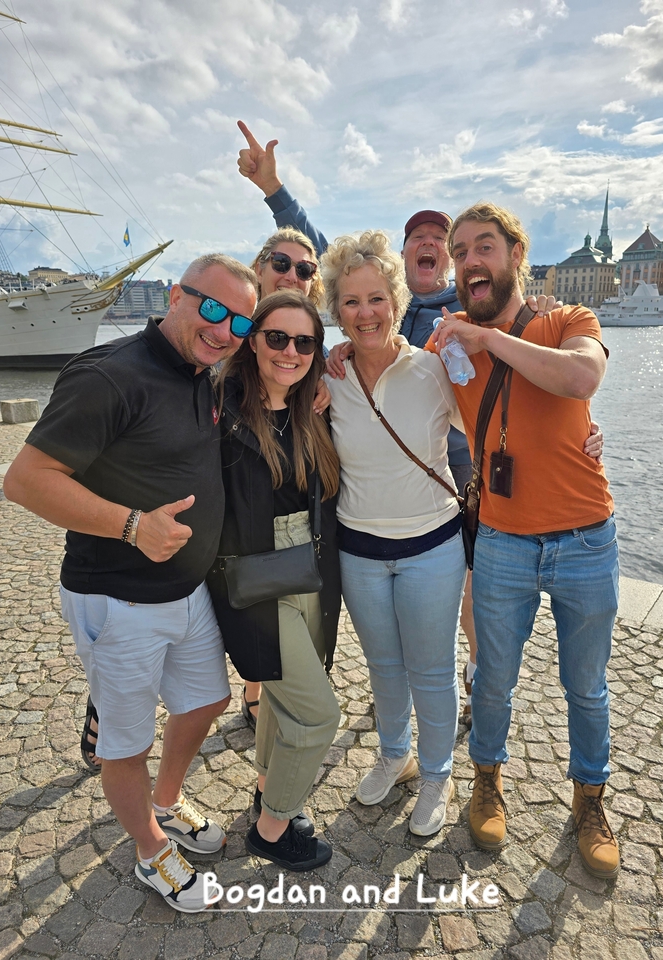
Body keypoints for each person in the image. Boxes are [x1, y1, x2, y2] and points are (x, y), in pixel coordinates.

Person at [235, 121, 603, 726]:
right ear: (403, 261)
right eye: (423, 240)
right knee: (413, 627)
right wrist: (275, 191)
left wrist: (583, 427)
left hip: (465, 481)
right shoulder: (365, 308)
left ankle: (474, 690)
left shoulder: (470, 311)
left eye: (446, 242)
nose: (434, 247)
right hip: (386, 493)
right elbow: (332, 258)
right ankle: (393, 712)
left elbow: (531, 375)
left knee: (470, 603)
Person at [3, 254, 259, 912]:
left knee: (206, 702)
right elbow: (26, 481)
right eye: (210, 307)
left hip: (186, 592)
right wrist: (131, 525)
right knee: (124, 742)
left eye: (239, 319)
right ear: (176, 295)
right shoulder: (110, 375)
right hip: (115, 597)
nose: (224, 328)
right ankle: (150, 852)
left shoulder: (204, 370)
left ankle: (166, 802)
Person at [432, 202, 620, 879]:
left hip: (586, 537)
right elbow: (402, 386)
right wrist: (337, 365)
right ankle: (487, 781)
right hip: (504, 539)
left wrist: (494, 342)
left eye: (484, 246)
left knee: (587, 686)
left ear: (516, 253)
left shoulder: (568, 320)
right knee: (492, 681)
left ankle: (590, 800)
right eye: (460, 252)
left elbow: (581, 377)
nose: (470, 261)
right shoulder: (447, 342)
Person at [320, 230, 469, 836]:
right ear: (336, 311)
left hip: (432, 545)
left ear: (397, 301)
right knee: (383, 666)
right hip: (359, 548)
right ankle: (395, 754)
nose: (365, 314)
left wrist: (582, 433)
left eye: (376, 298)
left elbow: (493, 425)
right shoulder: (326, 378)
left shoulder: (433, 369)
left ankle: (437, 772)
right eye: (352, 302)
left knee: (432, 668)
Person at [206, 289, 341, 870]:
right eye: (276, 337)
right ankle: (272, 825)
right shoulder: (220, 405)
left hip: (308, 564)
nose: (290, 351)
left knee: (286, 701)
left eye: (303, 341)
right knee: (318, 712)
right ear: (253, 340)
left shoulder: (316, 406)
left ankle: (267, 786)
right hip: (252, 572)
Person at [239, 225, 325, 732]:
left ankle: (258, 691)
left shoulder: (311, 354)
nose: (292, 273)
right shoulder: (228, 339)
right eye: (280, 263)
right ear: (259, 267)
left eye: (305, 268)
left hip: (288, 535)